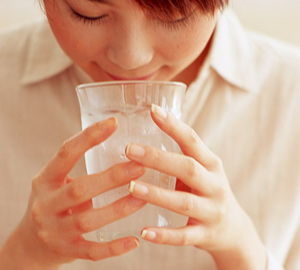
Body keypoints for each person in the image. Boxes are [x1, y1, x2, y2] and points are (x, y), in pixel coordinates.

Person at [0, 0, 300, 269]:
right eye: (88, 14)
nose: (131, 58)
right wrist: (24, 253)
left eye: (176, 15)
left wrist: (240, 248)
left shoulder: (290, 94)